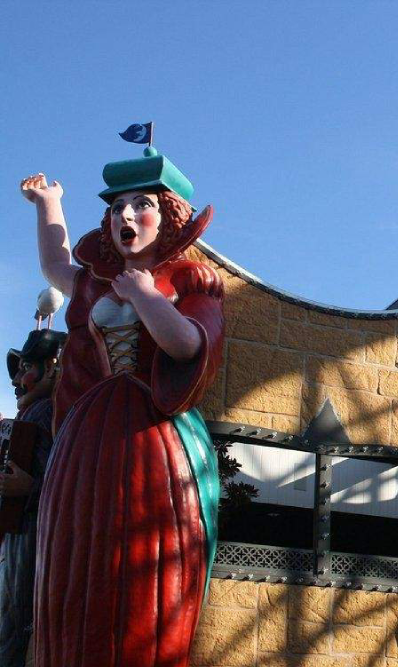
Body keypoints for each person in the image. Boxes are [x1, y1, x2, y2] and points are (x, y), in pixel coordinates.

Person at [19, 143, 223, 667]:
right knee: (80, 554)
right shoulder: (93, 283)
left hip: (156, 438)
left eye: (140, 204)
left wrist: (146, 296)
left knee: (142, 558)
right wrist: (49, 204)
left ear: (169, 217)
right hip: (90, 437)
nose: (125, 216)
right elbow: (53, 264)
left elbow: (188, 346)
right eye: (116, 207)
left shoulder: (188, 281)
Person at [0, 327, 65, 667]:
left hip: (31, 533)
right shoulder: (31, 414)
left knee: (13, 623)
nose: (16, 380)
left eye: (26, 368)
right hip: (15, 532)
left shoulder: (49, 413)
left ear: (53, 367)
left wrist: (30, 487)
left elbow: (65, 479)